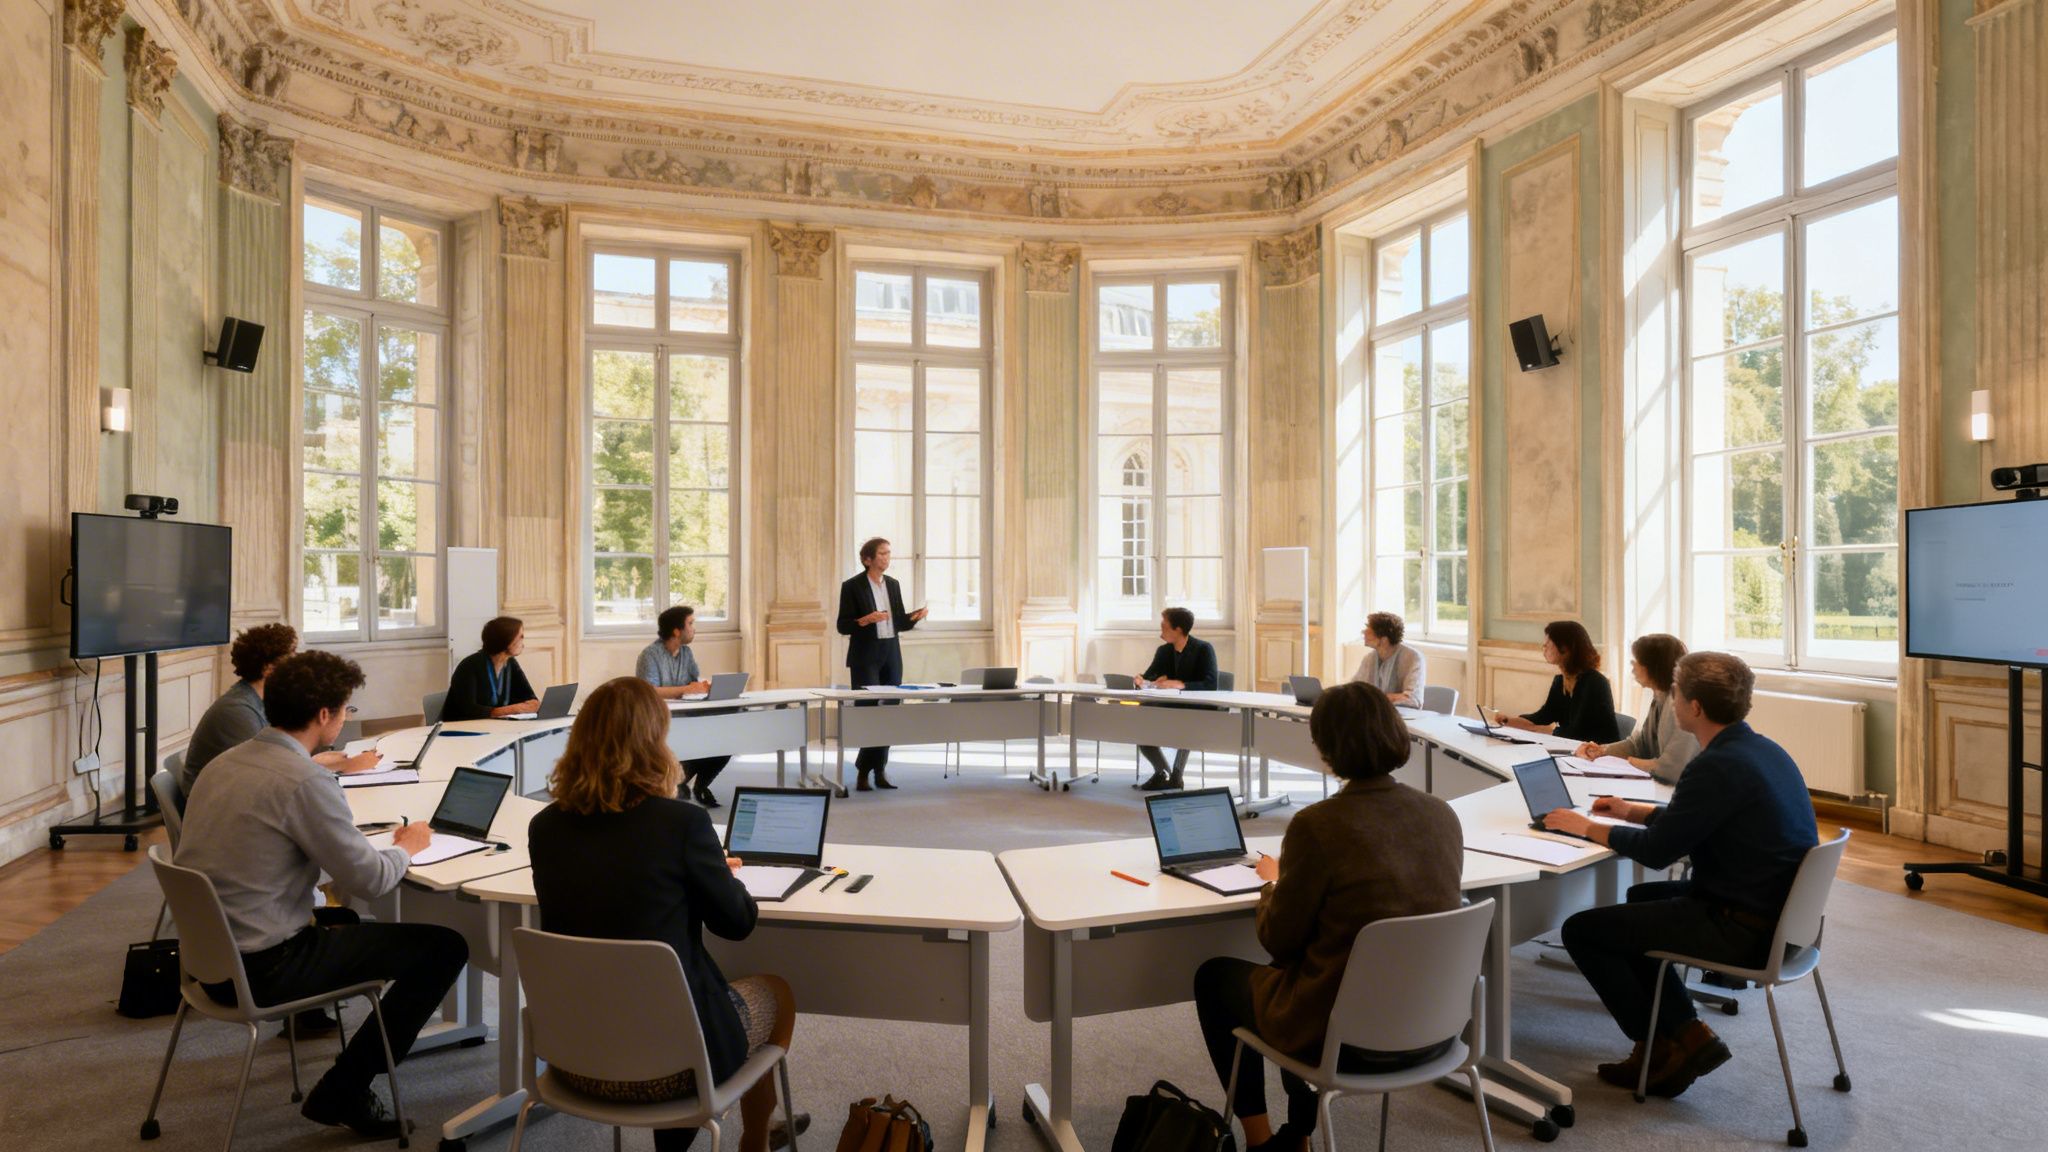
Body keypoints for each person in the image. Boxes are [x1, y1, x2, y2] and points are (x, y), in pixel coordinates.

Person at [175, 651, 469, 1139]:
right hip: (265, 966)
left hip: (210, 962)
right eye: (346, 709)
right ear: (325, 716)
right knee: (444, 947)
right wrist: (407, 846)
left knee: (356, 928)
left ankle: (349, 1080)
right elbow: (371, 882)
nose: (345, 718)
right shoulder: (304, 781)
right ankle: (346, 1088)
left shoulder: (225, 763)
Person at [529, 677, 804, 1152]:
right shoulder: (681, 824)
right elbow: (736, 924)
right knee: (776, 991)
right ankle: (755, 1141)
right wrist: (716, 870)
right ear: (654, 742)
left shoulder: (545, 827)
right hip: (675, 1069)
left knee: (650, 1003)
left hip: (576, 1062)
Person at [1192, 682, 1463, 1152]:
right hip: (1433, 1030)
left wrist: (1271, 883)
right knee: (1298, 972)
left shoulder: (1317, 826)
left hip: (1345, 1038)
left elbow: (1279, 940)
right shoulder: (1442, 815)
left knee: (1216, 978)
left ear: (1326, 747)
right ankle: (1298, 1131)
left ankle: (1264, 1142)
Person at [1543, 652, 1820, 1098]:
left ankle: (1657, 1046)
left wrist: (1589, 827)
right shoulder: (1763, 750)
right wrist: (1635, 810)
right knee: (1640, 902)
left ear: (1695, 708)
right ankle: (1687, 1035)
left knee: (1582, 930)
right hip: (1778, 914)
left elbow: (1658, 852)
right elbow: (1701, 819)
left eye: (1676, 694)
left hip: (1741, 925)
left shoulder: (1714, 765)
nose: (1672, 702)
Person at [180, 623, 383, 800]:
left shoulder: (259, 700)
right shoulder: (238, 711)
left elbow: (276, 766)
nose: (298, 664)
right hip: (221, 810)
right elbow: (272, 775)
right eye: (292, 657)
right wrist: (342, 766)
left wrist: (321, 763)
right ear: (269, 669)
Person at [835, 538, 926, 792]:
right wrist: (866, 620)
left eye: (888, 553)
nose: (887, 558)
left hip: (890, 652)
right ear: (868, 560)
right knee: (869, 710)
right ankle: (865, 772)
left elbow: (898, 622)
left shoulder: (893, 585)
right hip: (866, 654)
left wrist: (914, 618)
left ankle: (878, 769)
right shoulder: (852, 586)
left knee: (890, 711)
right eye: (882, 554)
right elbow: (843, 626)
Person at [636, 605, 732, 808]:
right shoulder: (650, 655)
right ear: (676, 631)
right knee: (690, 744)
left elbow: (694, 683)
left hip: (688, 717)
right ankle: (676, 785)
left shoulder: (686, 653)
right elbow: (650, 691)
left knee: (725, 738)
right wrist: (687, 689)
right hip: (660, 722)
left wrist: (705, 686)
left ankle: (700, 785)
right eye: (690, 623)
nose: (694, 628)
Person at [1573, 633, 1699, 784]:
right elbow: (1639, 744)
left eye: (1637, 661)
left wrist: (1632, 762)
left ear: (1653, 666)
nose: (1632, 666)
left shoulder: (1680, 705)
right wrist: (1602, 751)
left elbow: (1672, 769)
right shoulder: (1659, 695)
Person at [1132, 606, 1219, 791]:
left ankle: (1176, 776)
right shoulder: (1163, 651)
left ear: (1178, 629)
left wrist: (1180, 684)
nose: (1161, 628)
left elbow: (1211, 684)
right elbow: (1149, 676)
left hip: (1194, 710)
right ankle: (1161, 772)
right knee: (1140, 723)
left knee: (1185, 726)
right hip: (1168, 706)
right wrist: (1141, 680)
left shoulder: (1203, 649)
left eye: (1164, 625)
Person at [1496, 620, 1619, 743]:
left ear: (1565, 648)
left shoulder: (1595, 683)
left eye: (1548, 643)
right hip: (1573, 748)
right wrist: (1508, 721)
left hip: (1599, 754)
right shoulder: (1560, 681)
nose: (1543, 647)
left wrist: (1546, 730)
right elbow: (1543, 716)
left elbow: (1580, 732)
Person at [444, 616, 540, 721]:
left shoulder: (510, 663)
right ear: (507, 640)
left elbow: (529, 698)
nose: (523, 643)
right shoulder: (470, 665)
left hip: (495, 726)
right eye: (520, 637)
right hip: (462, 729)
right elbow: (468, 710)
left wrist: (532, 704)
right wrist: (511, 709)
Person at [1351, 612, 1426, 706]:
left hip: (1402, 717)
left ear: (1384, 640)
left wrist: (1376, 698)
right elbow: (1354, 690)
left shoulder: (1413, 658)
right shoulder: (1369, 658)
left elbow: (1413, 699)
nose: (1363, 632)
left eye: (1369, 630)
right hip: (1376, 716)